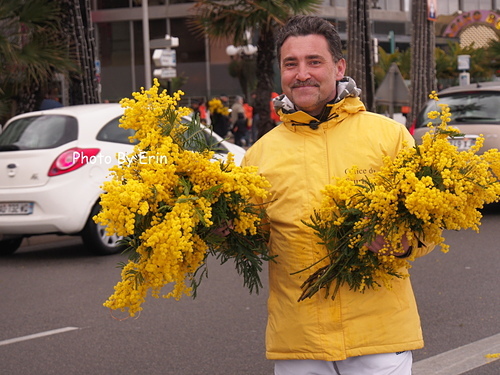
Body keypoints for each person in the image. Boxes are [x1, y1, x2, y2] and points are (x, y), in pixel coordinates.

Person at [242, 15, 434, 375]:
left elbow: (425, 224)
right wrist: (225, 232)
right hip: (299, 344)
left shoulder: (387, 137)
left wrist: (401, 242)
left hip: (377, 341)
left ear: (338, 66)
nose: (302, 74)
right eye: (291, 64)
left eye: (314, 61)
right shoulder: (259, 154)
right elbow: (254, 239)